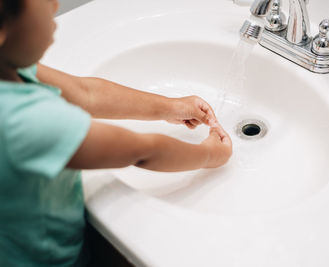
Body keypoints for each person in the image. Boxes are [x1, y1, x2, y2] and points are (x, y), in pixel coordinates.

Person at [0, 0, 232, 266]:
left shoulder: (8, 65)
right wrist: (209, 154)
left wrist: (173, 106)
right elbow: (143, 151)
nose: (55, 4)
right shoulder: (25, 121)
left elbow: (86, 93)